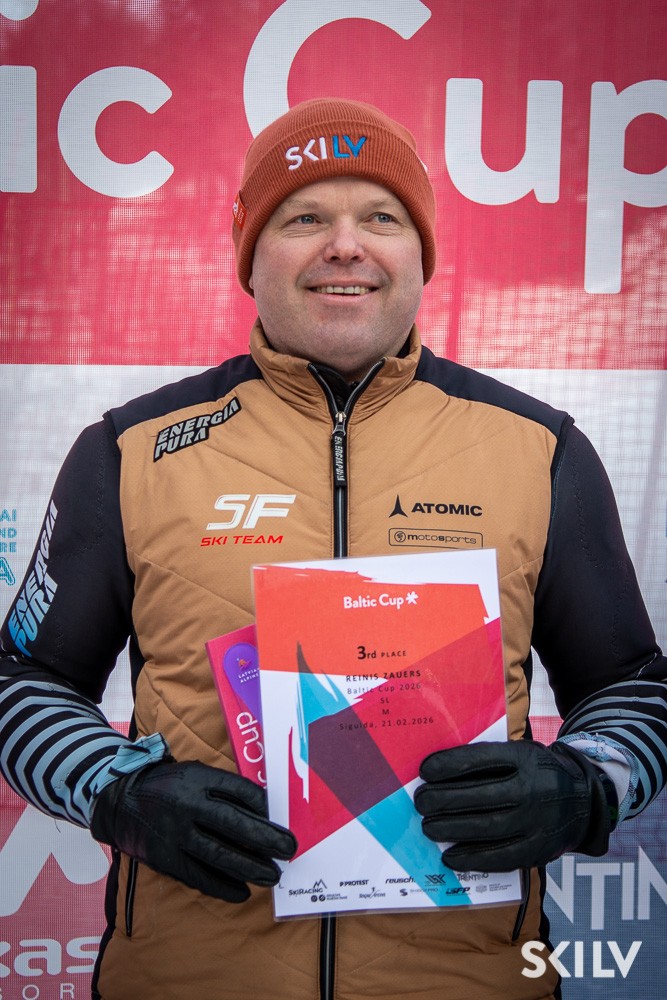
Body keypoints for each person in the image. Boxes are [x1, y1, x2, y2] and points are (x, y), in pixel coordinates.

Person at [1, 98, 666, 1000]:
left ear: (420, 254)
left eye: (381, 218)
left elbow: (632, 689)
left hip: (473, 981)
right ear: (249, 256)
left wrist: (588, 786)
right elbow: (22, 684)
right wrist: (113, 792)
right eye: (304, 218)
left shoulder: (539, 448)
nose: (345, 247)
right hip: (189, 978)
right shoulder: (129, 449)